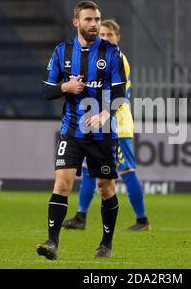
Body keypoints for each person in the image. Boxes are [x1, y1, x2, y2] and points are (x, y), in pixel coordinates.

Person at [36, 1, 127, 260]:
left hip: (103, 133)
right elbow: (47, 90)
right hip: (72, 131)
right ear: (76, 22)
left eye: (97, 19)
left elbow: (120, 93)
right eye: (88, 19)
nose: (94, 24)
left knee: (105, 188)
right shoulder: (62, 52)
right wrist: (66, 87)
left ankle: (105, 245)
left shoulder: (111, 52)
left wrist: (106, 113)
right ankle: (52, 242)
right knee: (62, 183)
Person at [62, 19, 151, 232]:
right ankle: (81, 216)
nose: (106, 38)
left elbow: (113, 93)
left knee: (126, 171)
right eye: (102, 35)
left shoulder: (117, 58)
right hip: (95, 122)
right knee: (89, 170)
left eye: (110, 35)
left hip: (117, 123)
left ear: (117, 37)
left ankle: (142, 220)